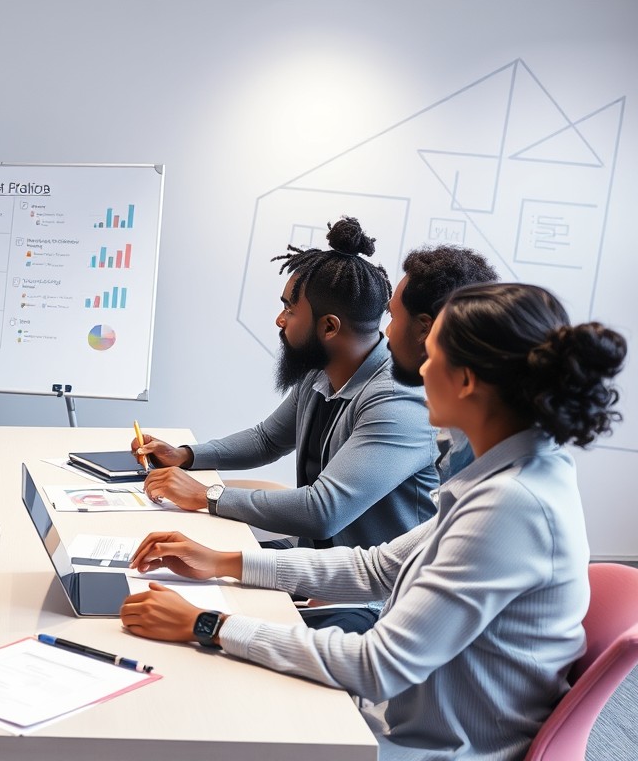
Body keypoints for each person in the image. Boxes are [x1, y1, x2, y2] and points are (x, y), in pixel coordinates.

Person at [121, 282, 626, 761]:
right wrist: (221, 561)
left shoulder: (511, 505)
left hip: (432, 747)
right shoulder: (511, 473)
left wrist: (207, 624)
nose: (420, 368)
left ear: (467, 380)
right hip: (409, 717)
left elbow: (376, 666)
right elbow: (377, 568)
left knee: (201, 715)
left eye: (433, 355)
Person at [136, 217, 438, 553]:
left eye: (289, 309)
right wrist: (185, 455)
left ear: (329, 327)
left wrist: (206, 495)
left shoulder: (398, 400)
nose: (279, 320)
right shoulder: (321, 371)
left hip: (369, 583)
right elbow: (266, 440)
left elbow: (322, 511)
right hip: (314, 563)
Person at [385, 245, 498, 481]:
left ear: (425, 328)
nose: (387, 332)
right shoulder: (457, 432)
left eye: (393, 317)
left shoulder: (488, 462)